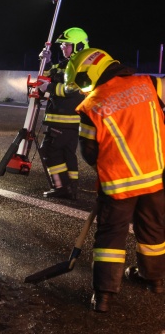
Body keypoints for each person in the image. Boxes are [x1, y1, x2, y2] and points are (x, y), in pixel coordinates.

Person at [65, 48, 165, 313]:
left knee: (111, 237)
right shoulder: (150, 84)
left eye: (83, 82)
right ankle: (154, 280)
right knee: (153, 231)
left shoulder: (91, 105)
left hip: (118, 183)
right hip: (155, 178)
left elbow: (89, 153)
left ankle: (105, 296)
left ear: (92, 73)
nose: (84, 89)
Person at [37, 27, 88, 200]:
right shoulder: (68, 64)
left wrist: (48, 88)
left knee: (48, 151)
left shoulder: (80, 64)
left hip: (64, 120)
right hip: (68, 121)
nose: (62, 48)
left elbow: (73, 89)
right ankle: (71, 187)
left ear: (78, 46)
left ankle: (60, 187)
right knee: (67, 154)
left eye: (66, 45)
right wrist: (47, 62)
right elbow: (53, 74)